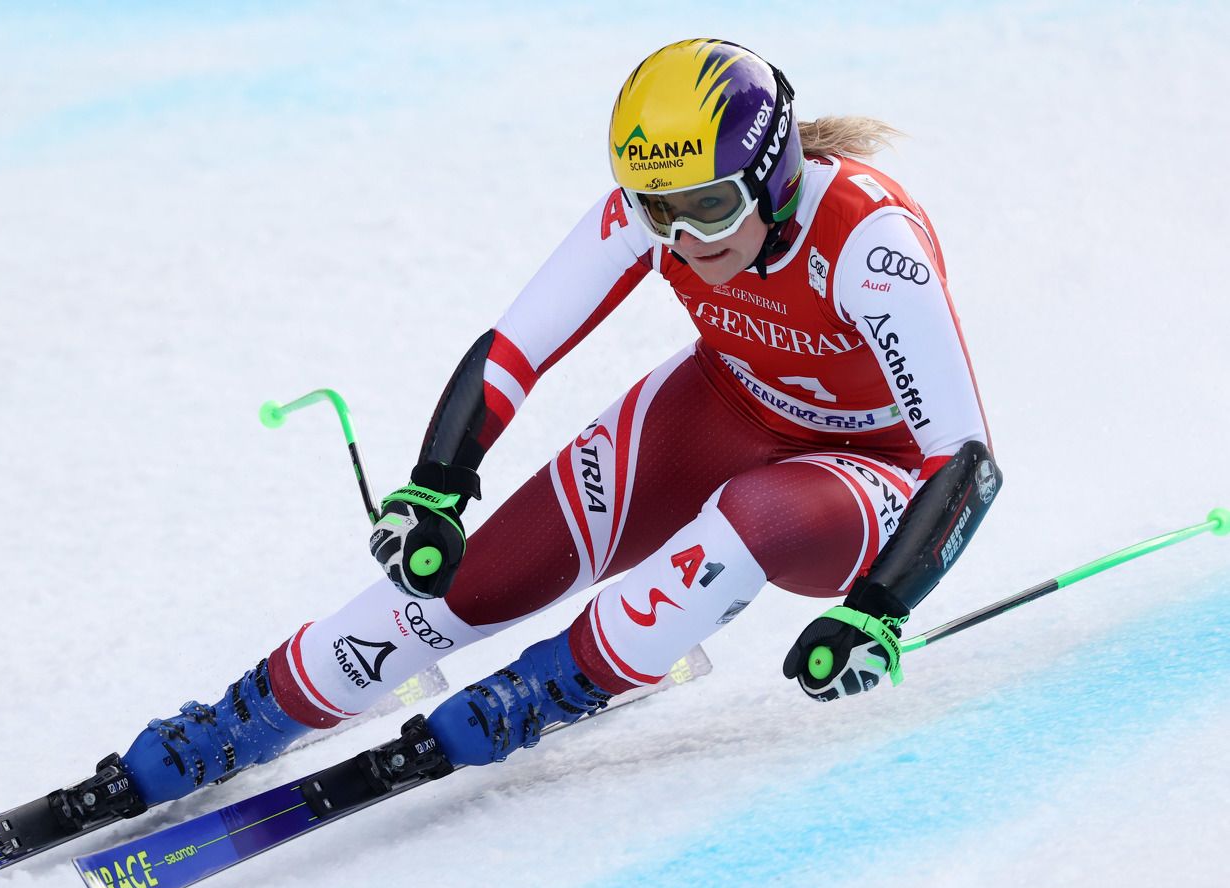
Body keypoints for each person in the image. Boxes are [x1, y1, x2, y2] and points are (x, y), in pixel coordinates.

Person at [111, 38, 1001, 809]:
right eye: (661, 211)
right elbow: (516, 345)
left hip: (868, 475)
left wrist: (880, 612)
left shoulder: (868, 243)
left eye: (711, 209)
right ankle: (243, 717)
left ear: (773, 177)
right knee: (467, 587)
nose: (686, 239)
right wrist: (438, 484)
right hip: (723, 409)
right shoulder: (660, 206)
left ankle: (538, 695)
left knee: (752, 520)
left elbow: (963, 460)